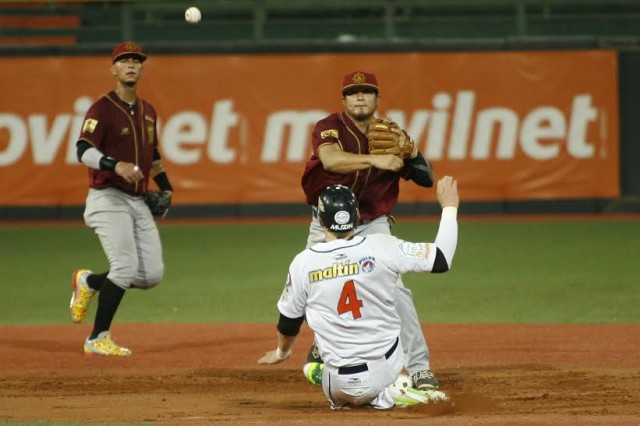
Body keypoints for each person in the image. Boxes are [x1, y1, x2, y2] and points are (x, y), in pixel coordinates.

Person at [258, 178, 458, 410]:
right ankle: (394, 389)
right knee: (389, 302)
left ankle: (336, 378)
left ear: (321, 221)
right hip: (383, 372)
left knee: (320, 324)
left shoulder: (303, 262)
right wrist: (449, 206)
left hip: (335, 386)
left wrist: (282, 352)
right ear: (356, 218)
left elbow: (289, 322)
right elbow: (442, 258)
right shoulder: (383, 246)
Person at [299, 71, 439, 390]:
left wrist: (411, 152)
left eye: (367, 91)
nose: (360, 96)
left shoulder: (389, 134)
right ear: (344, 100)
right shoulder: (329, 126)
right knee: (309, 290)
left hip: (374, 223)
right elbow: (331, 160)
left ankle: (418, 367)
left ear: (377, 99)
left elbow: (426, 178)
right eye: (353, 92)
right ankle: (326, 342)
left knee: (395, 291)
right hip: (328, 222)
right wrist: (377, 160)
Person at [68, 41, 173, 356]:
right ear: (113, 69)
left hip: (137, 201)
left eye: (136, 61)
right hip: (107, 197)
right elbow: (82, 150)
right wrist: (115, 164)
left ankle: (90, 282)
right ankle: (97, 338)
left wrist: (166, 186)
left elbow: (152, 155)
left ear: (141, 68)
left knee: (150, 275)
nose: (131, 65)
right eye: (124, 60)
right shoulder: (101, 108)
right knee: (124, 266)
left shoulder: (148, 111)